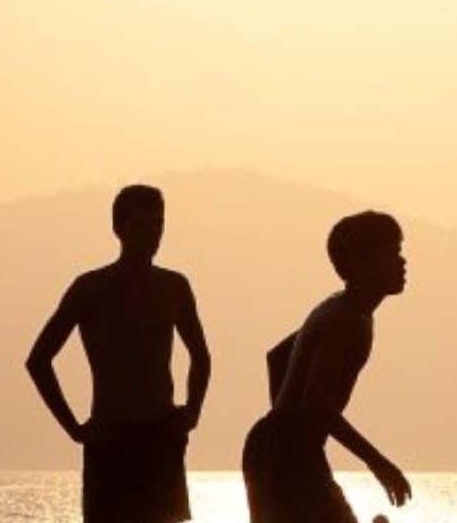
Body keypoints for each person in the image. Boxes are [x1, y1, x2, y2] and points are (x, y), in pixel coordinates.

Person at [25, 184, 210, 523]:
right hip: (109, 441)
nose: (152, 234)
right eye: (142, 224)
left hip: (160, 439)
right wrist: (74, 428)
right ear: (119, 228)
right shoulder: (91, 288)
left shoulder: (174, 287)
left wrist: (192, 411)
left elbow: (201, 356)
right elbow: (38, 360)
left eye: (158, 224)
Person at [242, 211, 415, 523]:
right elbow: (317, 404)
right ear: (362, 262)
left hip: (279, 450)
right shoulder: (348, 321)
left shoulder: (339, 308)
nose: (402, 261)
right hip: (286, 456)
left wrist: (286, 423)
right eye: (392, 252)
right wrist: (379, 464)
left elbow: (278, 357)